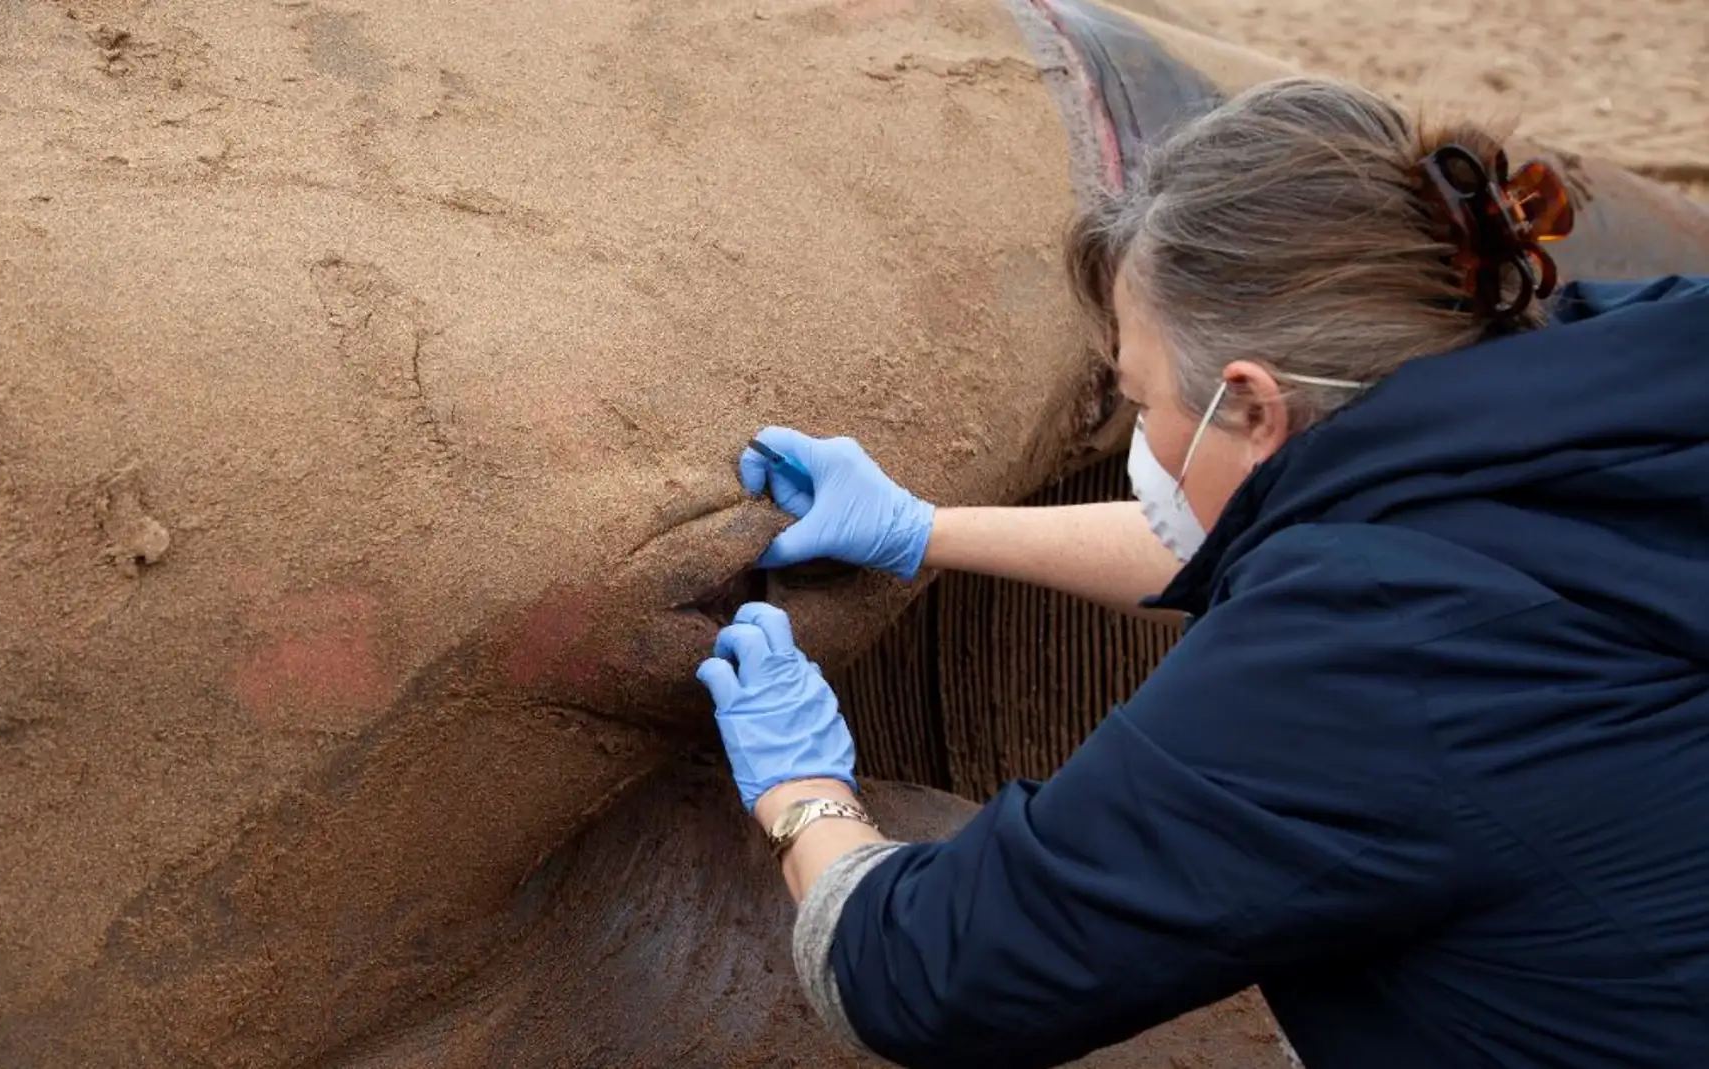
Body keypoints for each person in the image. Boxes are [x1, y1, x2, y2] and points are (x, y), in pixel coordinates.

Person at [692, 74, 1709, 1069]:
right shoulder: (1644, 366)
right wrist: (927, 530)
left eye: (1141, 398)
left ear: (1253, 406)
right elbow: (1325, 537)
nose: (1143, 430)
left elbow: (921, 975)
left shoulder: (1363, 659)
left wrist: (802, 790)